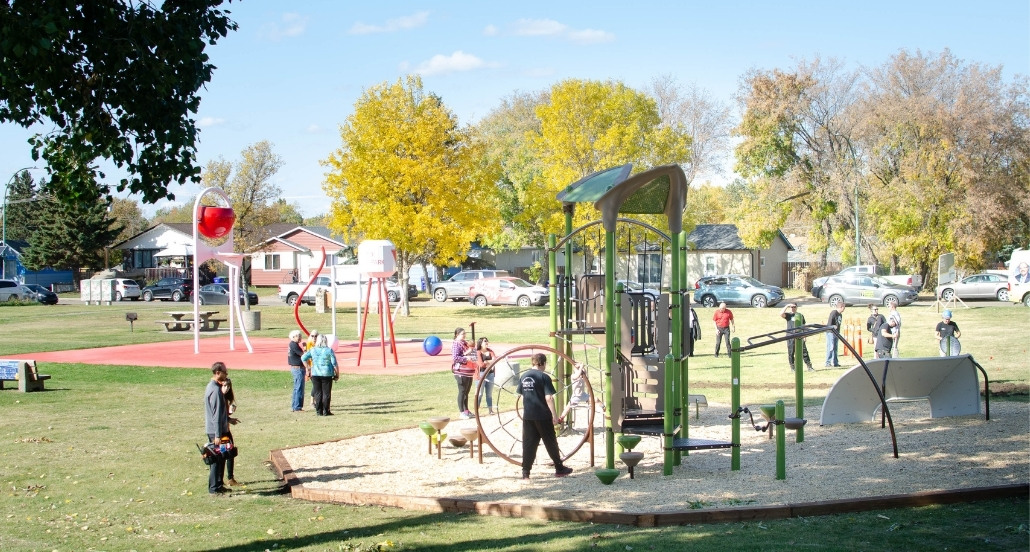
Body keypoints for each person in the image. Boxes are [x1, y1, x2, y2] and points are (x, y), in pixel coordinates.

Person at [516, 353, 573, 479]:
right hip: (542, 415)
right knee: (550, 442)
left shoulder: (524, 376)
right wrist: (554, 415)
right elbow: (549, 398)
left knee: (529, 443)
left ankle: (526, 472)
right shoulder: (544, 377)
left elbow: (522, 396)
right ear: (543, 363)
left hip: (528, 416)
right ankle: (559, 468)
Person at [204, 361, 238, 494]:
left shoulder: (212, 387)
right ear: (217, 373)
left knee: (221, 458)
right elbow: (216, 415)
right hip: (216, 431)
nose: (226, 374)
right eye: (225, 372)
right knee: (216, 460)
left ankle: (219, 484)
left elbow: (219, 413)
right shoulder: (215, 391)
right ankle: (214, 488)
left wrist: (229, 419)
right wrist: (217, 435)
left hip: (217, 429)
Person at [302, 334, 339, 416]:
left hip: (315, 373)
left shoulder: (313, 350)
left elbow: (303, 358)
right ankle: (326, 410)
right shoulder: (329, 350)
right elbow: (334, 364)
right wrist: (337, 374)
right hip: (327, 373)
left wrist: (308, 367)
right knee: (326, 393)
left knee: (317, 392)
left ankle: (319, 411)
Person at [451, 327, 476, 419]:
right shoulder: (456, 344)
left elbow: (472, 353)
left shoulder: (465, 343)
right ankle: (461, 412)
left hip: (469, 371)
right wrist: (466, 357)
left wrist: (472, 351)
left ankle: (466, 410)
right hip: (461, 371)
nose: (464, 335)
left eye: (465, 333)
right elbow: (455, 357)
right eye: (462, 334)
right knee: (462, 391)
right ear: (457, 335)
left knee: (467, 392)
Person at [780, 303, 813, 371]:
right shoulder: (789, 315)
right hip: (790, 336)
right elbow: (781, 314)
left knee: (804, 352)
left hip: (800, 336)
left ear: (797, 307)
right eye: (791, 307)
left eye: (794, 307)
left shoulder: (800, 315)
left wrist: (805, 336)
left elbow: (804, 325)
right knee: (791, 352)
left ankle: (809, 366)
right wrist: (786, 306)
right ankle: (792, 367)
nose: (793, 308)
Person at [221, 377, 240, 486]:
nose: (226, 388)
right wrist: (229, 419)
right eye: (224, 386)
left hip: (226, 429)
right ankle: (227, 478)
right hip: (222, 432)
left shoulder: (225, 398)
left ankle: (230, 478)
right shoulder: (219, 398)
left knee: (230, 452)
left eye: (228, 386)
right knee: (225, 452)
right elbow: (219, 416)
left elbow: (224, 414)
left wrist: (230, 413)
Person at [475, 337, 496, 415]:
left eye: (487, 341)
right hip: (481, 375)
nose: (486, 343)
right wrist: (489, 362)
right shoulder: (478, 352)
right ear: (480, 343)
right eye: (484, 341)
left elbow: (495, 360)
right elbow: (481, 364)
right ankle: (476, 410)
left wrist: (487, 361)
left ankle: (490, 410)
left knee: (489, 394)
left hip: (490, 374)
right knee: (479, 393)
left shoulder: (490, 351)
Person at [287, 330, 305, 412]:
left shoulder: (293, 344)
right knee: (299, 388)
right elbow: (303, 354)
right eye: (299, 336)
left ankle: (295, 405)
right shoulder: (294, 345)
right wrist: (305, 348)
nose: (300, 337)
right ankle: (297, 407)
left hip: (295, 368)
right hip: (298, 368)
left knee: (296, 388)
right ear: (293, 337)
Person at [824, 302, 845, 367]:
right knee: (831, 347)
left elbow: (838, 325)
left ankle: (835, 362)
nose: (844, 309)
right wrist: (833, 327)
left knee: (835, 348)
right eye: (844, 307)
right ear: (841, 307)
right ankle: (828, 362)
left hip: (836, 333)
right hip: (830, 333)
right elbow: (829, 323)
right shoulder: (834, 313)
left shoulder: (840, 315)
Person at [305, 330, 319, 408]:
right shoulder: (309, 344)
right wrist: (308, 368)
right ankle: (312, 401)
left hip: (319, 367)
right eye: (312, 336)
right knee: (315, 384)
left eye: (315, 336)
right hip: (312, 367)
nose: (314, 338)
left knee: (317, 384)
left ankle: (317, 400)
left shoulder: (320, 344)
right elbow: (306, 357)